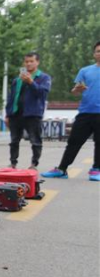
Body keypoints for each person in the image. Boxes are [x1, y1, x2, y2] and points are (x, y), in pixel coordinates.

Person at [42, 41, 100, 181]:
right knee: (74, 141)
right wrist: (77, 89)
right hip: (85, 113)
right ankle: (62, 169)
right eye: (98, 51)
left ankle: (96, 170)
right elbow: (75, 91)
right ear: (94, 54)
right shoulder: (85, 71)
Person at [5, 52, 51, 169]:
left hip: (33, 114)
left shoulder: (44, 77)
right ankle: (13, 163)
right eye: (26, 61)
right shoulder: (17, 79)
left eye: (31, 61)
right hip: (16, 113)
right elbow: (12, 97)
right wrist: (8, 114)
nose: (29, 64)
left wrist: (31, 82)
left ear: (37, 62)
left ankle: (34, 163)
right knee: (14, 140)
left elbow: (42, 93)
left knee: (35, 140)